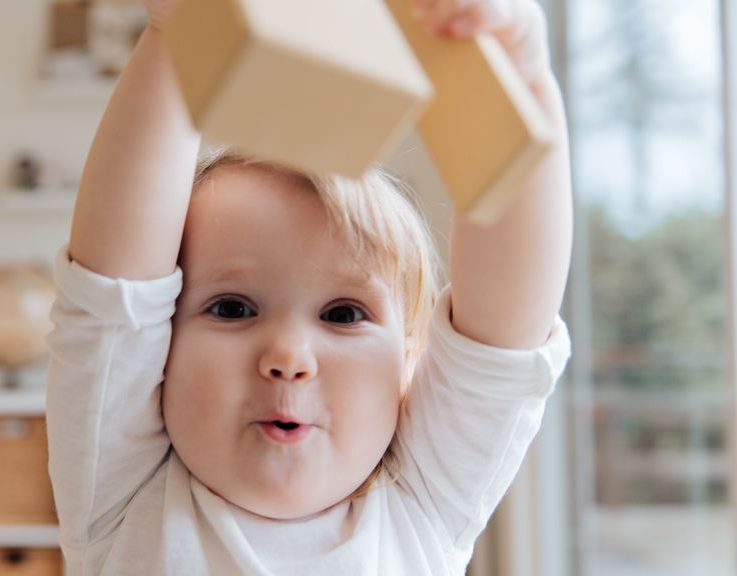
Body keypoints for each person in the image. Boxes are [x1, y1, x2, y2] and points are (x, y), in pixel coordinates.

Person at [45, 0, 573, 573]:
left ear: (406, 365)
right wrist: (181, 29)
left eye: (344, 315)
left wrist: (521, 84)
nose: (289, 358)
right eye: (232, 307)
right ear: (158, 353)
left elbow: (503, 339)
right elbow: (114, 292)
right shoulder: (123, 490)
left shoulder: (422, 501)